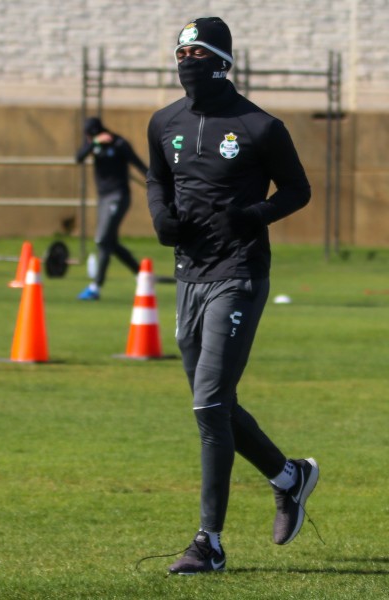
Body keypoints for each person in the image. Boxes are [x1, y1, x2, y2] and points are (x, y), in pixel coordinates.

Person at [146, 17, 318, 575]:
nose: (185, 61)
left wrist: (254, 215)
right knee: (213, 404)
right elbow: (156, 178)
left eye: (196, 52)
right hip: (188, 275)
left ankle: (208, 544)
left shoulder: (259, 126)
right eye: (179, 52)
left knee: (207, 404)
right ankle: (290, 477)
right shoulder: (164, 121)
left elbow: (298, 189)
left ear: (221, 60)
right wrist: (160, 217)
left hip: (239, 273)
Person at [75, 117, 148, 300]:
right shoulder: (94, 144)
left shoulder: (119, 143)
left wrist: (157, 184)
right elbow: (78, 157)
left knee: (102, 239)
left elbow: (139, 164)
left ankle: (95, 287)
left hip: (118, 196)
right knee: (109, 242)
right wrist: (94, 144)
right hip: (103, 198)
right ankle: (141, 274)